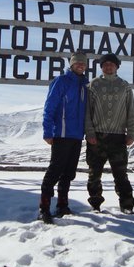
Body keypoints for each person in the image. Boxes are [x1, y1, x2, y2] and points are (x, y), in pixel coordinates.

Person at [85, 53, 134, 214]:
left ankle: (127, 205)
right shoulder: (93, 85)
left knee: (121, 174)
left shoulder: (125, 86)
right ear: (101, 67)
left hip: (118, 137)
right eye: (105, 64)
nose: (108, 67)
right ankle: (95, 204)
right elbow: (87, 112)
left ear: (117, 67)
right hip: (97, 136)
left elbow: (132, 111)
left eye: (112, 64)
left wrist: (132, 133)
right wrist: (89, 133)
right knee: (94, 174)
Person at [39, 52, 89, 224]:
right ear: (72, 64)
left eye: (83, 63)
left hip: (76, 136)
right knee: (54, 171)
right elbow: (49, 107)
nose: (81, 65)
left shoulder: (85, 84)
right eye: (77, 63)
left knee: (68, 173)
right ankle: (44, 208)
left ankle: (62, 205)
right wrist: (48, 131)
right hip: (61, 134)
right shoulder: (61, 81)